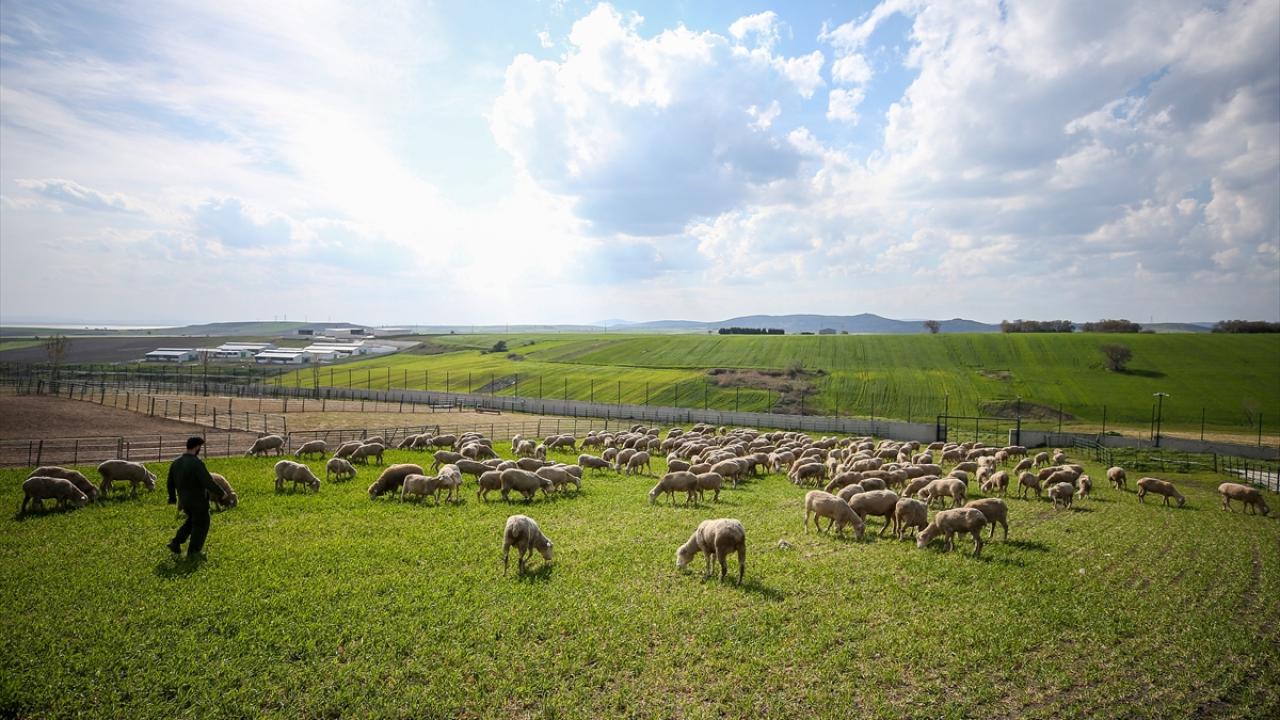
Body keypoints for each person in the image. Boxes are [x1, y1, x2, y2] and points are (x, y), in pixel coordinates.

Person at [167, 436, 224, 559]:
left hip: (184, 500)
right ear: (197, 447)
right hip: (198, 500)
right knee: (202, 523)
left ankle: (175, 542)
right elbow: (207, 481)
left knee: (191, 521)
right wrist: (221, 493)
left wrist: (172, 497)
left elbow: (170, 482)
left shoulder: (176, 462)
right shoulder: (196, 463)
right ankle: (194, 551)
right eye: (200, 447)